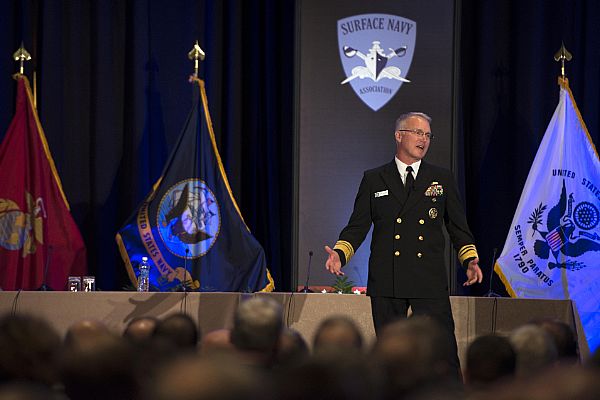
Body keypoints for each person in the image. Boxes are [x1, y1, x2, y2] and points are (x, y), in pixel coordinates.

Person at [324, 112, 483, 376]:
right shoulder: (374, 178)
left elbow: (457, 227)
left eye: (428, 135)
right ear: (399, 136)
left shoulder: (441, 178)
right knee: (390, 355)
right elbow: (357, 226)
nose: (424, 140)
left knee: (442, 351)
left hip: (428, 280)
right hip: (388, 279)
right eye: (418, 133)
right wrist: (340, 253)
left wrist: (469, 259)